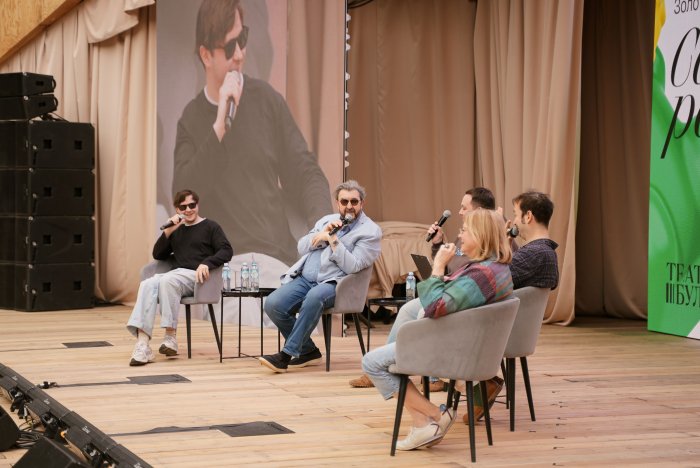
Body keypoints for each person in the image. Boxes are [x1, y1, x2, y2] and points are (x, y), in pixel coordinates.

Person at [173, 0, 331, 267]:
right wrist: (220, 126)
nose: (239, 54)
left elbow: (305, 172)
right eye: (229, 47)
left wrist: (323, 224)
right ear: (206, 55)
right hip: (220, 264)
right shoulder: (192, 119)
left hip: (273, 257)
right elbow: (183, 196)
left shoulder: (267, 100)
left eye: (242, 39)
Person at [361, 209, 513, 451]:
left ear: (480, 236)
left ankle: (437, 415)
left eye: (464, 231)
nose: (460, 236)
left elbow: (434, 307)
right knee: (397, 338)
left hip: (450, 349)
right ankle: (423, 423)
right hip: (464, 343)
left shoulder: (481, 275)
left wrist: (439, 266)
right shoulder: (495, 268)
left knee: (372, 363)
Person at [259, 180, 382, 373]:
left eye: (354, 201)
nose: (349, 206)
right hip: (305, 279)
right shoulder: (326, 220)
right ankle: (308, 351)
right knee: (273, 304)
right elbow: (301, 247)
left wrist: (332, 239)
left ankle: (286, 355)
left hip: (336, 284)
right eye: (344, 201)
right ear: (337, 203)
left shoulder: (370, 231)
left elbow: (353, 266)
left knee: (314, 297)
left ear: (362, 203)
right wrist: (323, 233)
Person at [126, 189, 233, 366]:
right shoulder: (176, 230)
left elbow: (226, 250)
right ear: (177, 210)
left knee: (168, 280)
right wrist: (169, 230)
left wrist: (207, 263)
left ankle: (170, 336)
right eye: (183, 207)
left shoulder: (211, 227)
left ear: (197, 205)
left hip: (199, 278)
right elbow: (158, 254)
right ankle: (143, 345)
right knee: (147, 284)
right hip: (177, 275)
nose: (188, 210)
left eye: (192, 205)